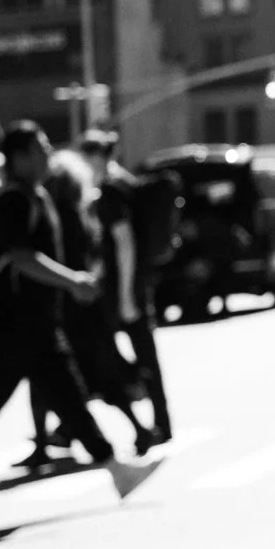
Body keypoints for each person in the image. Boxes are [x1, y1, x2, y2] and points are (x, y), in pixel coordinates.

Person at [0, 123, 158, 525]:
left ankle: (117, 470)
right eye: (40, 148)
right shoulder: (14, 202)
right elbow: (21, 258)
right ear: (19, 157)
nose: (48, 153)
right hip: (10, 327)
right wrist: (72, 281)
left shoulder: (35, 197)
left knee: (69, 396)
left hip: (33, 326)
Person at [26, 147, 158, 461]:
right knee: (97, 380)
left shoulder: (58, 216)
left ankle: (53, 443)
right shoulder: (82, 213)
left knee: (54, 379)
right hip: (87, 310)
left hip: (68, 310)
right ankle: (129, 431)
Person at [78, 130, 172, 445]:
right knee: (143, 354)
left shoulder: (111, 191)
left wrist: (126, 293)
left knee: (109, 351)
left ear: (97, 157)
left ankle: (147, 411)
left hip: (124, 288)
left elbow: (124, 243)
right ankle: (160, 420)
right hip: (133, 283)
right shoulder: (125, 184)